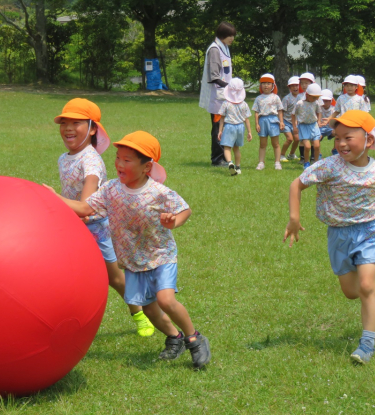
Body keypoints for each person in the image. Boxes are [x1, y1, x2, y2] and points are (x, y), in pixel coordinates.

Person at [48, 131, 211, 369]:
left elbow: (184, 209)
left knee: (165, 300)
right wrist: (54, 198)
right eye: (118, 158)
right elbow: (84, 207)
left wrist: (173, 222)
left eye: (127, 160)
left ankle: (194, 338)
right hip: (133, 261)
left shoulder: (157, 192)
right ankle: (175, 339)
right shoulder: (110, 190)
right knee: (149, 309)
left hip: (160, 255)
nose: (119, 164)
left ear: (147, 167)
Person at [284, 110, 375, 364]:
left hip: (369, 232)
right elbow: (296, 184)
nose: (341, 144)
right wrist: (294, 218)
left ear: (369, 140)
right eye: (337, 138)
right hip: (337, 234)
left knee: (367, 286)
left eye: (348, 137)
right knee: (351, 292)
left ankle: (367, 344)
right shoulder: (329, 166)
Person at [53, 98, 155, 337]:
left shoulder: (90, 160)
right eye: (64, 122)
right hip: (72, 225)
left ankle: (140, 315)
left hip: (95, 228)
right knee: (68, 278)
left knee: (116, 279)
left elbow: (86, 206)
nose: (68, 127)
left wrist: (51, 198)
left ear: (92, 128)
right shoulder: (64, 157)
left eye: (76, 122)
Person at [199, 21, 237, 167]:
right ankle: (217, 159)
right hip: (218, 96)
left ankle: (223, 156)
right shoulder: (215, 49)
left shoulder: (225, 48)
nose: (232, 38)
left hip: (225, 95)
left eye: (233, 35)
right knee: (217, 128)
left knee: (225, 127)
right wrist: (230, 87)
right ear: (222, 35)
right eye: (229, 35)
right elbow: (214, 76)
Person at [216, 77, 253, 175]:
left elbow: (222, 118)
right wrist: (249, 132)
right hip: (240, 127)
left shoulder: (226, 103)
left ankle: (230, 163)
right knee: (236, 148)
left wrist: (220, 130)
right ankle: (238, 167)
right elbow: (247, 119)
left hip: (229, 127)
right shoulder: (244, 104)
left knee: (227, 148)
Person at [252, 73, 284, 170]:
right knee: (262, 144)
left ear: (273, 85)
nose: (266, 85)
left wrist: (281, 122)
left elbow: (280, 110)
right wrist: (257, 123)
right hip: (263, 121)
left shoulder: (276, 97)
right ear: (261, 85)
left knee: (275, 143)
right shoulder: (258, 98)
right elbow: (256, 112)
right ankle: (261, 162)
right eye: (264, 83)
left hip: (273, 120)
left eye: (268, 83)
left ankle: (277, 162)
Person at [292, 83, 322, 169]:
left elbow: (319, 112)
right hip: (303, 126)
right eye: (314, 97)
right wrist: (294, 126)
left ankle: (316, 164)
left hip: (313, 125)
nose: (316, 99)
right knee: (307, 146)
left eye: (317, 97)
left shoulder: (316, 103)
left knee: (316, 145)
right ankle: (306, 162)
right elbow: (293, 114)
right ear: (307, 95)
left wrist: (319, 121)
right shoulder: (300, 103)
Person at [279, 76, 301, 162]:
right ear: (289, 87)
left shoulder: (302, 97)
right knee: (289, 139)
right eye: (292, 86)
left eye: (296, 85)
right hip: (286, 121)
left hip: (296, 123)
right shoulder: (286, 98)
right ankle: (281, 155)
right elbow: (281, 111)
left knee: (297, 139)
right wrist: (281, 122)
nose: (295, 87)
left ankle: (291, 154)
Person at [318, 89, 336, 154]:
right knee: (317, 137)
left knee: (338, 134)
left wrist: (335, 128)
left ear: (331, 101)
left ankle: (335, 149)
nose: (324, 103)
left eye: (326, 101)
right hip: (320, 128)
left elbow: (337, 120)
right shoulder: (318, 108)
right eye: (323, 101)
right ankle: (318, 153)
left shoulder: (334, 110)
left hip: (330, 128)